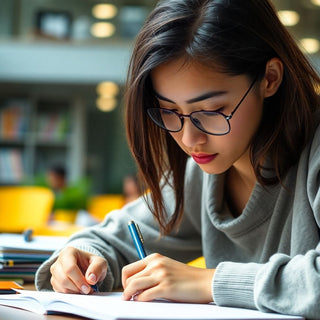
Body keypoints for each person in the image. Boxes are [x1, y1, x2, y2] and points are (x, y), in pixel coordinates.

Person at [35, 0, 320, 318]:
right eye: (169, 112)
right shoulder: (203, 173)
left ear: (269, 78)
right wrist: (84, 258)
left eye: (211, 111)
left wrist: (210, 282)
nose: (189, 139)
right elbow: (109, 237)